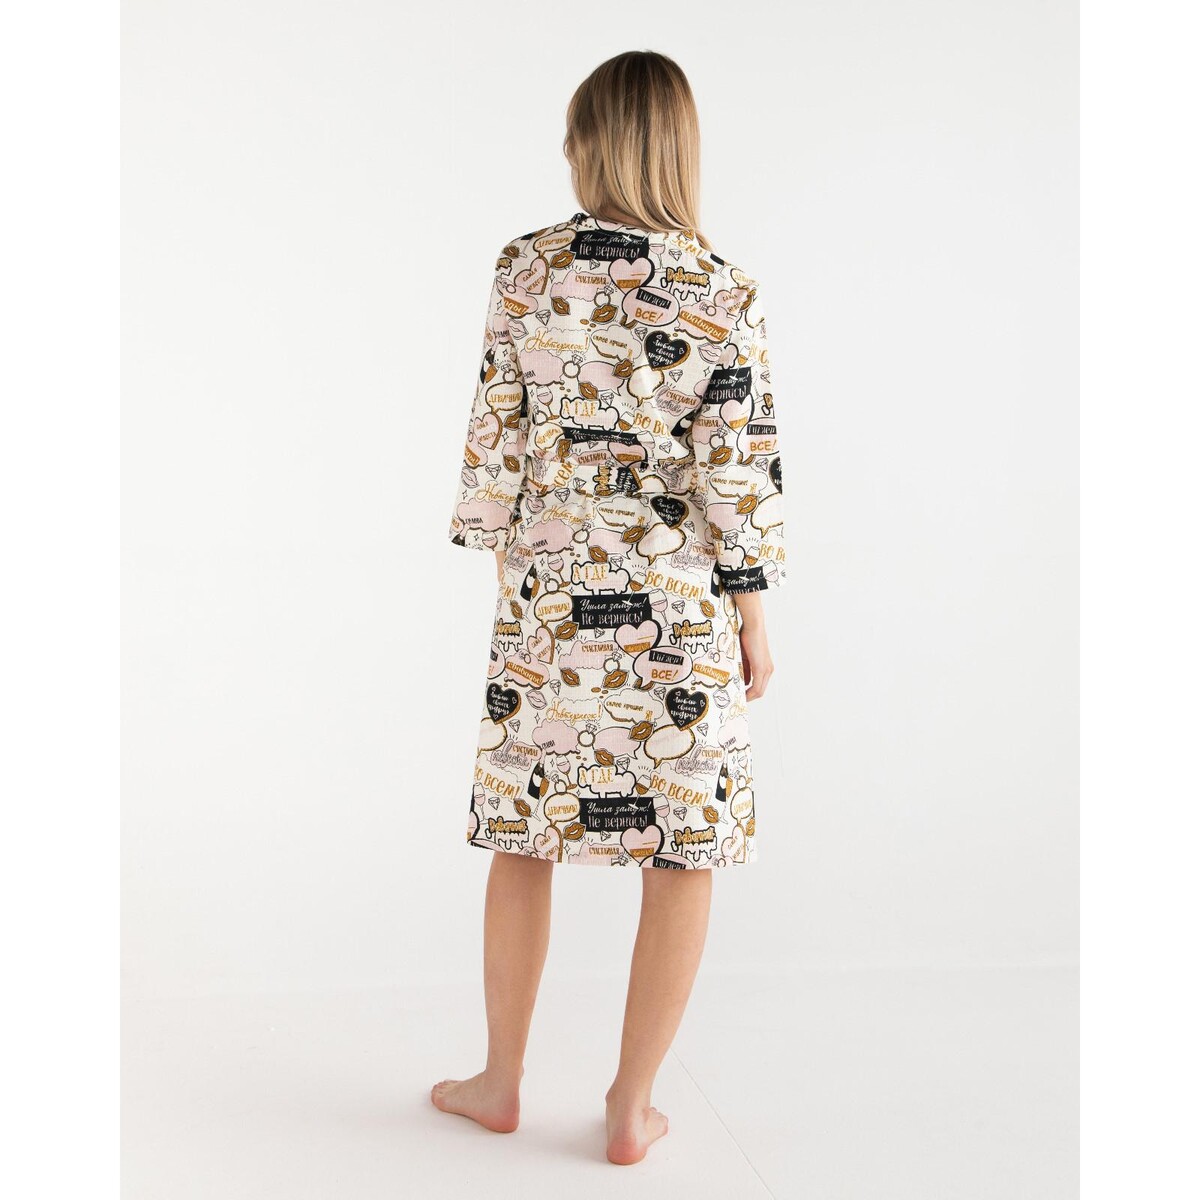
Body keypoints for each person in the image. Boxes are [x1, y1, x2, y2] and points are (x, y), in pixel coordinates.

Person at [434, 49, 787, 1166]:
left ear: (590, 143)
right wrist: (753, 614)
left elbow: (495, 430)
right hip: (680, 603)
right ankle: (631, 1109)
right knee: (679, 851)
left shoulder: (526, 268)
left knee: (523, 831)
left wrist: (504, 560)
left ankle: (500, 1081)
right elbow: (737, 471)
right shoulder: (722, 288)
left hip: (550, 593)